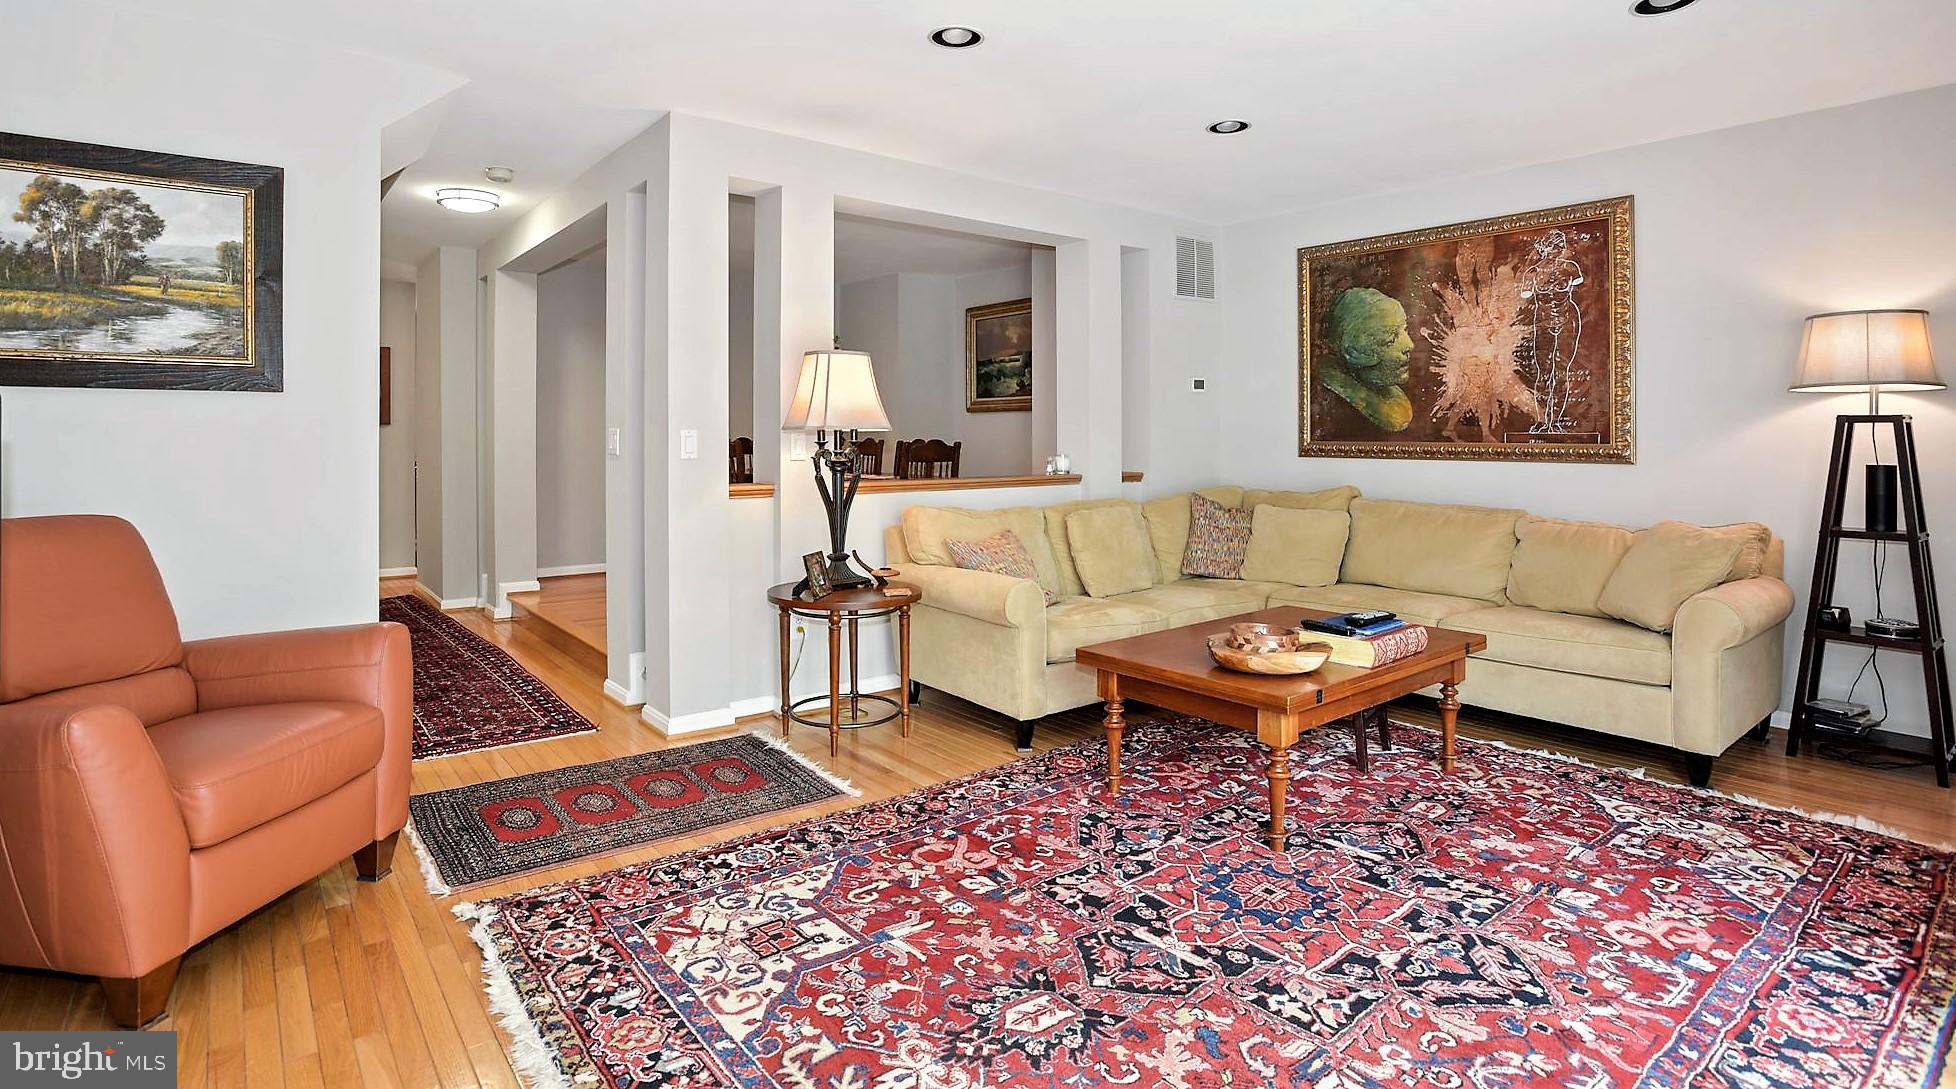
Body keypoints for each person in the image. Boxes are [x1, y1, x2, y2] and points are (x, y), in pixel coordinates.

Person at [1319, 286, 1413, 432]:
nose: (1410, 345)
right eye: (1390, 339)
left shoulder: (1391, 395)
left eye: (1404, 330)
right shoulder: (1342, 420)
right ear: (1356, 351)